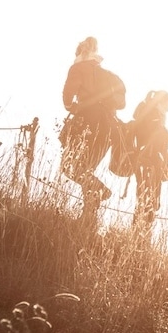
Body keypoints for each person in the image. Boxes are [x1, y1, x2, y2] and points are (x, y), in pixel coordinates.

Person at [61, 36, 125, 226]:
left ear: (80, 53)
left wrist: (73, 108)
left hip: (86, 125)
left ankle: (100, 191)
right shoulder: (112, 76)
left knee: (70, 167)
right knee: (86, 169)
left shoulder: (78, 68)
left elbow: (67, 96)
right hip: (108, 129)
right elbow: (122, 104)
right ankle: (88, 218)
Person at [129, 90, 168, 235]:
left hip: (147, 161)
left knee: (146, 198)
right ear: (159, 102)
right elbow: (157, 137)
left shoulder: (149, 115)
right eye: (167, 104)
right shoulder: (152, 117)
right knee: (147, 198)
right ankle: (141, 234)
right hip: (149, 162)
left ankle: (140, 232)